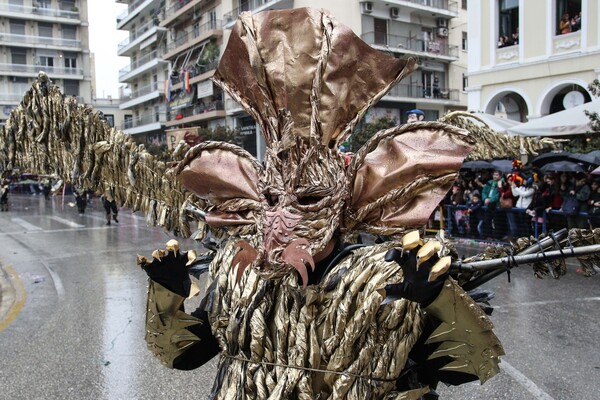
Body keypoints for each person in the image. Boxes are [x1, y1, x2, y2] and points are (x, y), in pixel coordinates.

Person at [481, 170, 503, 239]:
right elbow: (484, 191)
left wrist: (490, 200)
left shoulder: (501, 183)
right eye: (494, 175)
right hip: (488, 204)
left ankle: (497, 237)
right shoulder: (489, 183)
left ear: (500, 176)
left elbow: (499, 194)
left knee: (497, 221)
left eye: (496, 175)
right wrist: (485, 198)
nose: (495, 176)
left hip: (496, 204)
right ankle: (488, 235)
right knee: (487, 220)